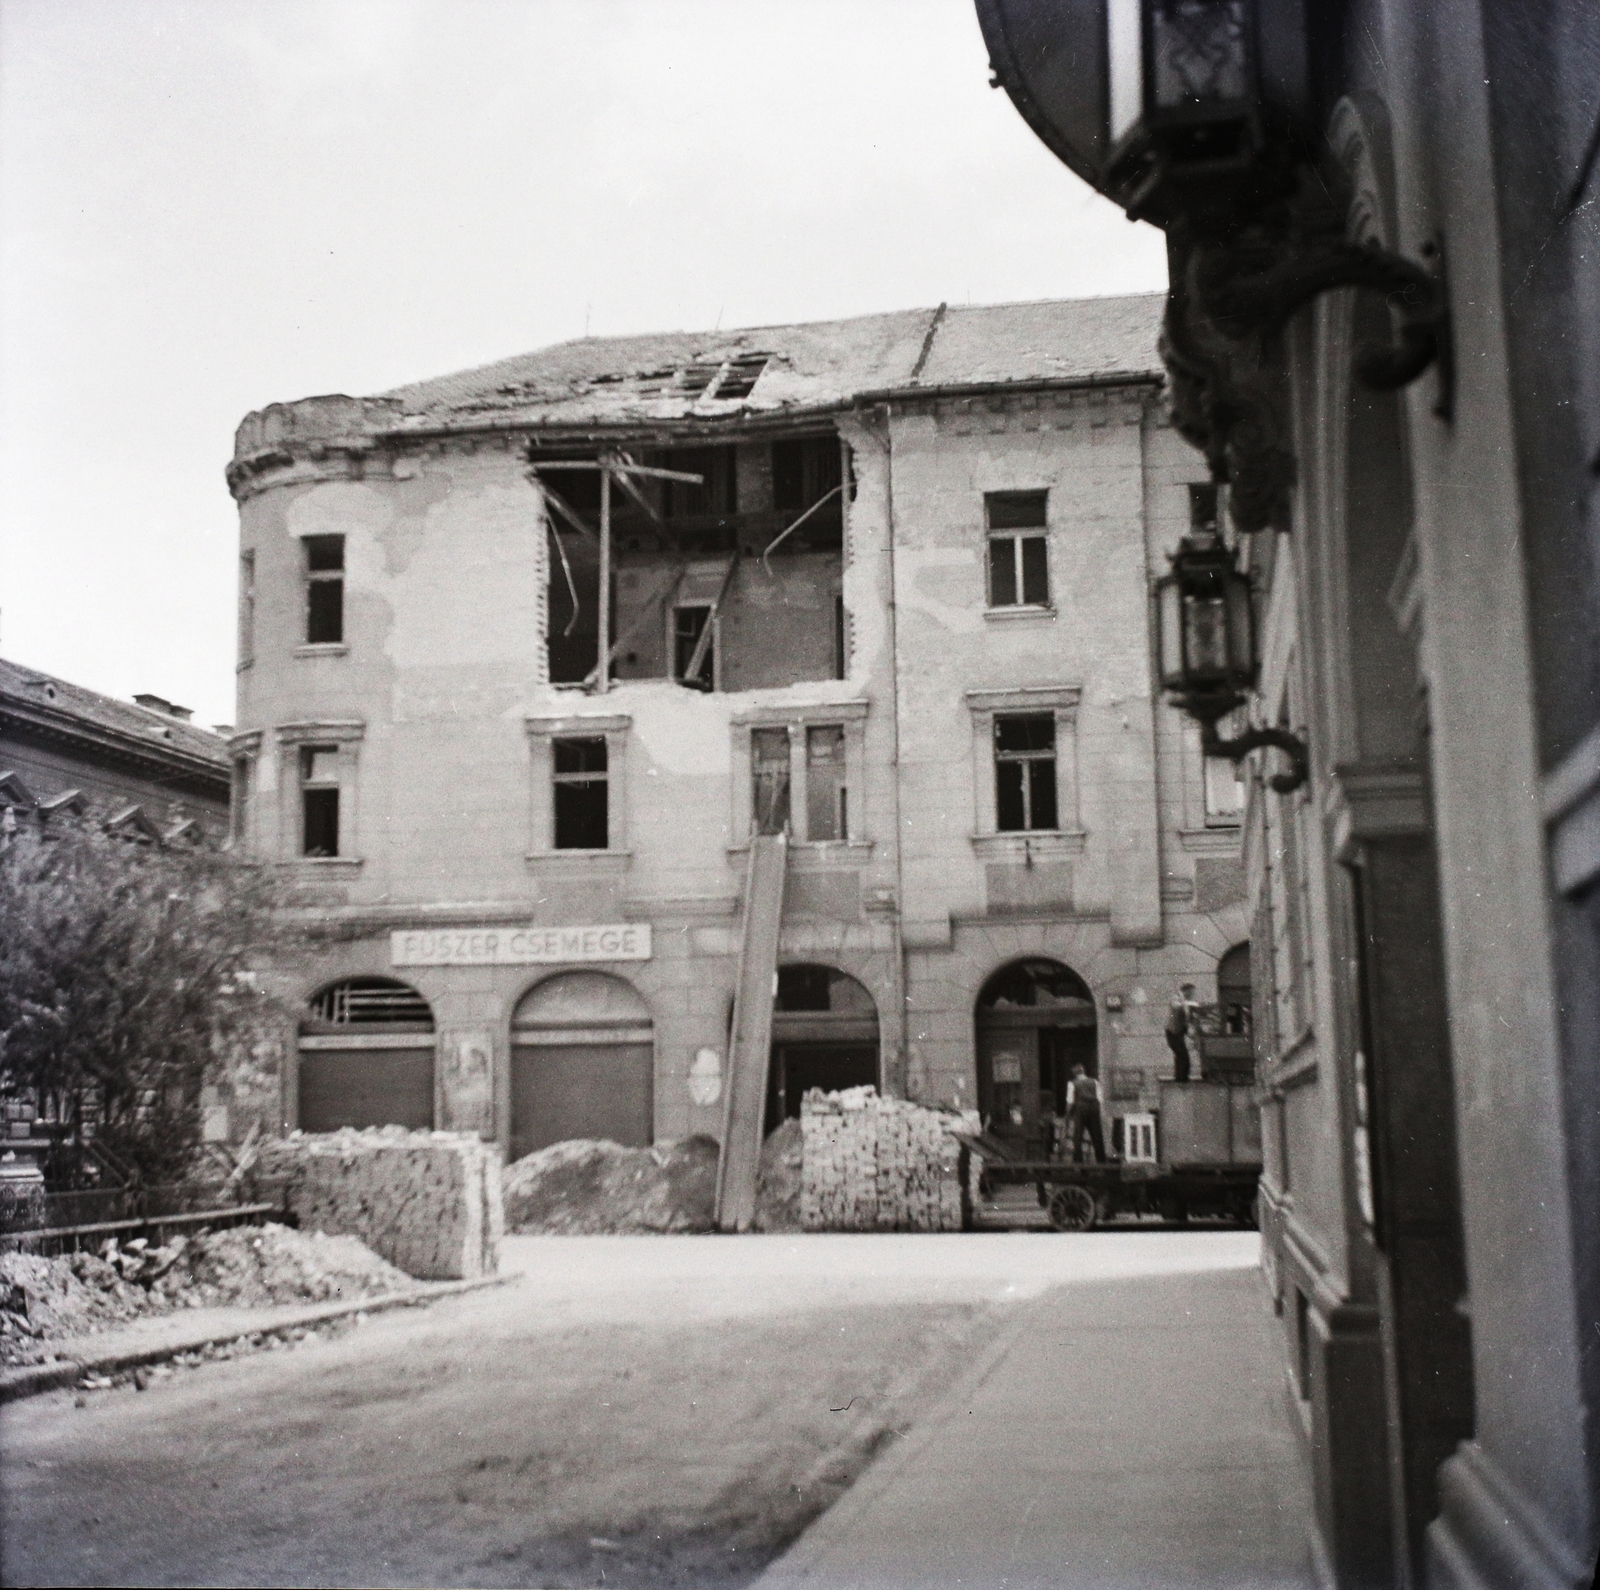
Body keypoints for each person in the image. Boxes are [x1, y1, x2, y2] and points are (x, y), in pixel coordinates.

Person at [1067, 1065, 1106, 1164]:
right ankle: (1101, 1161)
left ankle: (1078, 1162)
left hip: (1080, 1110)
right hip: (1093, 1109)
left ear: (1075, 1074)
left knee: (1078, 1136)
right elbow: (1100, 1099)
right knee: (1097, 1136)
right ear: (1084, 1072)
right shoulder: (1095, 1082)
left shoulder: (1072, 1084)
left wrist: (1067, 1115)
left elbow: (1070, 1102)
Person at [1166, 983, 1198, 1083]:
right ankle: (1181, 1079)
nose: (1193, 995)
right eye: (1192, 992)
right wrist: (1189, 1004)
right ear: (1186, 991)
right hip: (1172, 1033)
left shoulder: (1185, 1001)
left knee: (1181, 1056)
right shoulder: (1177, 997)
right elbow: (1176, 1006)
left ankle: (1181, 1078)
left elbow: (1188, 1019)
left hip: (1179, 1032)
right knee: (1183, 1056)